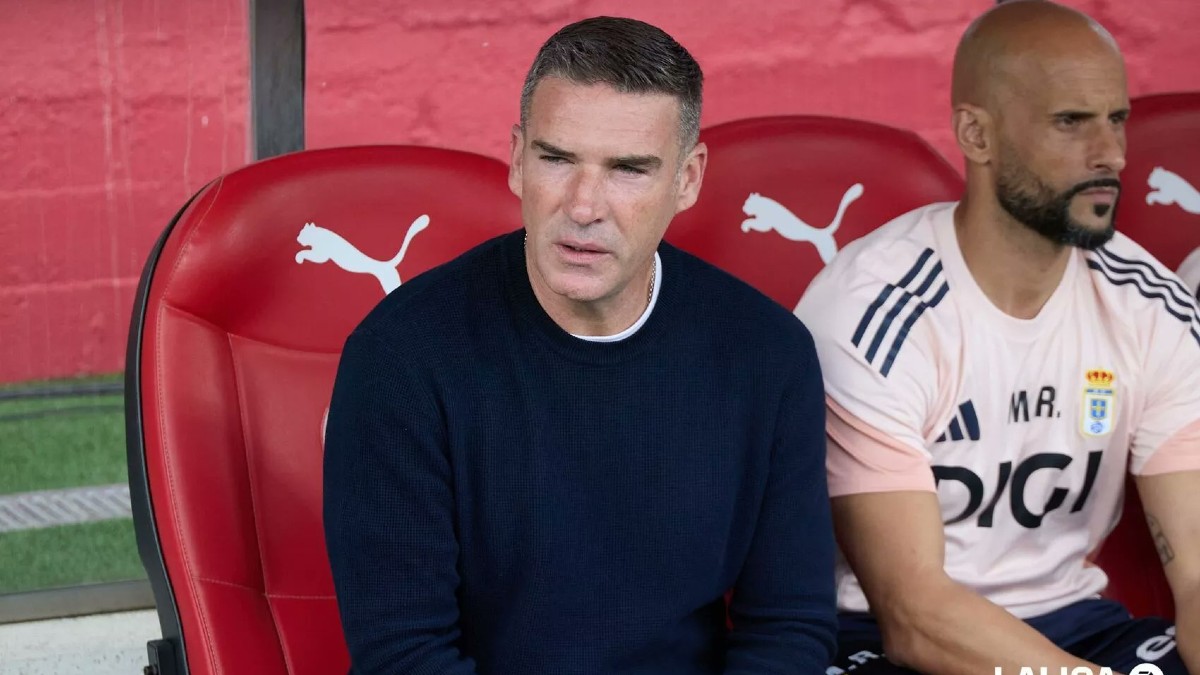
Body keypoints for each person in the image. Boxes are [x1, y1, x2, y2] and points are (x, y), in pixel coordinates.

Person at [323, 16, 837, 675]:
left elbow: (789, 629)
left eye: (628, 169)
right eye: (557, 159)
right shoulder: (401, 356)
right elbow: (403, 654)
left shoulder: (767, 354)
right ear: (517, 160)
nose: (584, 206)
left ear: (687, 179)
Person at [795, 2, 1200, 674]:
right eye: (1071, 122)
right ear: (976, 135)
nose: (1112, 154)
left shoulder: (1150, 302)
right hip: (886, 638)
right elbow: (914, 612)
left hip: (1078, 626)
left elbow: (1197, 571)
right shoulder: (873, 310)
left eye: (1116, 119)